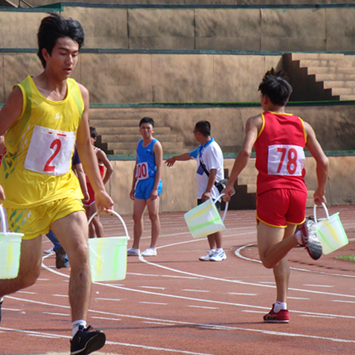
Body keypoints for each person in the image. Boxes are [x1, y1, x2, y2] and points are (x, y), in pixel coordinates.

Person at [0, 13, 114, 355]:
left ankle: (79, 332)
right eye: (63, 53)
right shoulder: (24, 94)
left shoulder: (80, 95)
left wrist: (98, 188)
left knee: (81, 252)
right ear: (45, 53)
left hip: (62, 190)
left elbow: (84, 145)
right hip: (23, 198)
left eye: (75, 54)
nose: (70, 61)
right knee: (28, 276)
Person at [222, 69, 329, 323]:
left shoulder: (257, 121)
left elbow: (246, 152)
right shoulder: (304, 125)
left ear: (264, 99)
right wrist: (320, 191)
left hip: (273, 193)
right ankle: (281, 306)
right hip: (298, 193)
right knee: (279, 251)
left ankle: (302, 236)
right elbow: (323, 161)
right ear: (287, 100)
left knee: (268, 258)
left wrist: (230, 183)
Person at [166, 120, 226, 261]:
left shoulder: (211, 148)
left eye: (194, 132)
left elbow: (213, 170)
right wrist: (175, 158)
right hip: (203, 191)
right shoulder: (202, 148)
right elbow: (189, 155)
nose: (193, 134)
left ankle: (220, 250)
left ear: (198, 133)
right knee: (206, 221)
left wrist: (208, 190)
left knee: (213, 220)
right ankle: (212, 250)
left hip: (211, 191)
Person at [44, 145, 89, 269]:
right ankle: (69, 254)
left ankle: (60, 246)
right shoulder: (72, 144)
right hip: (69, 189)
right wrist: (84, 191)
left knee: (43, 221)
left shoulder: (45, 140)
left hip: (48, 188)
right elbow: (79, 170)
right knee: (72, 221)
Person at [127, 117, 163, 257]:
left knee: (153, 215)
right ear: (139, 129)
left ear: (152, 129)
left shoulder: (156, 145)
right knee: (136, 216)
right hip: (141, 183)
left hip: (152, 181)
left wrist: (155, 188)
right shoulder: (139, 144)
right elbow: (137, 165)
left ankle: (153, 247)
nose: (145, 130)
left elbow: (159, 167)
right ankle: (135, 247)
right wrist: (133, 185)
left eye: (148, 128)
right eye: (143, 128)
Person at [83, 126, 114, 238]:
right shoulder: (82, 153)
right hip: (85, 190)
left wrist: (102, 184)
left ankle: (102, 243)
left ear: (94, 139)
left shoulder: (98, 153)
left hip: (94, 189)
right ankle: (92, 245)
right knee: (88, 220)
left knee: (95, 218)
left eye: (89, 138)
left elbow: (110, 168)